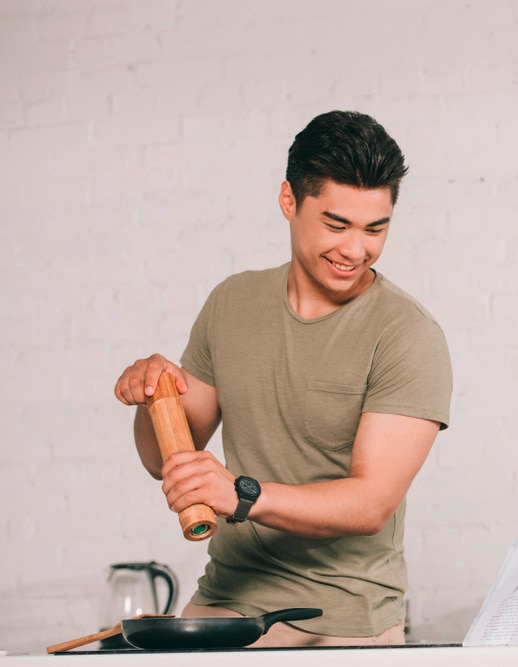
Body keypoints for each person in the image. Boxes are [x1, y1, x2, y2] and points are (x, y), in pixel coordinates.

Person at [114, 110, 452, 647]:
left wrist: (243, 496)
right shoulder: (232, 303)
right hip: (228, 599)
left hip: (343, 615)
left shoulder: (407, 334)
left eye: (375, 228)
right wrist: (152, 395)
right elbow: (165, 462)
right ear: (289, 201)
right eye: (336, 225)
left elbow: (371, 504)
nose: (356, 250)